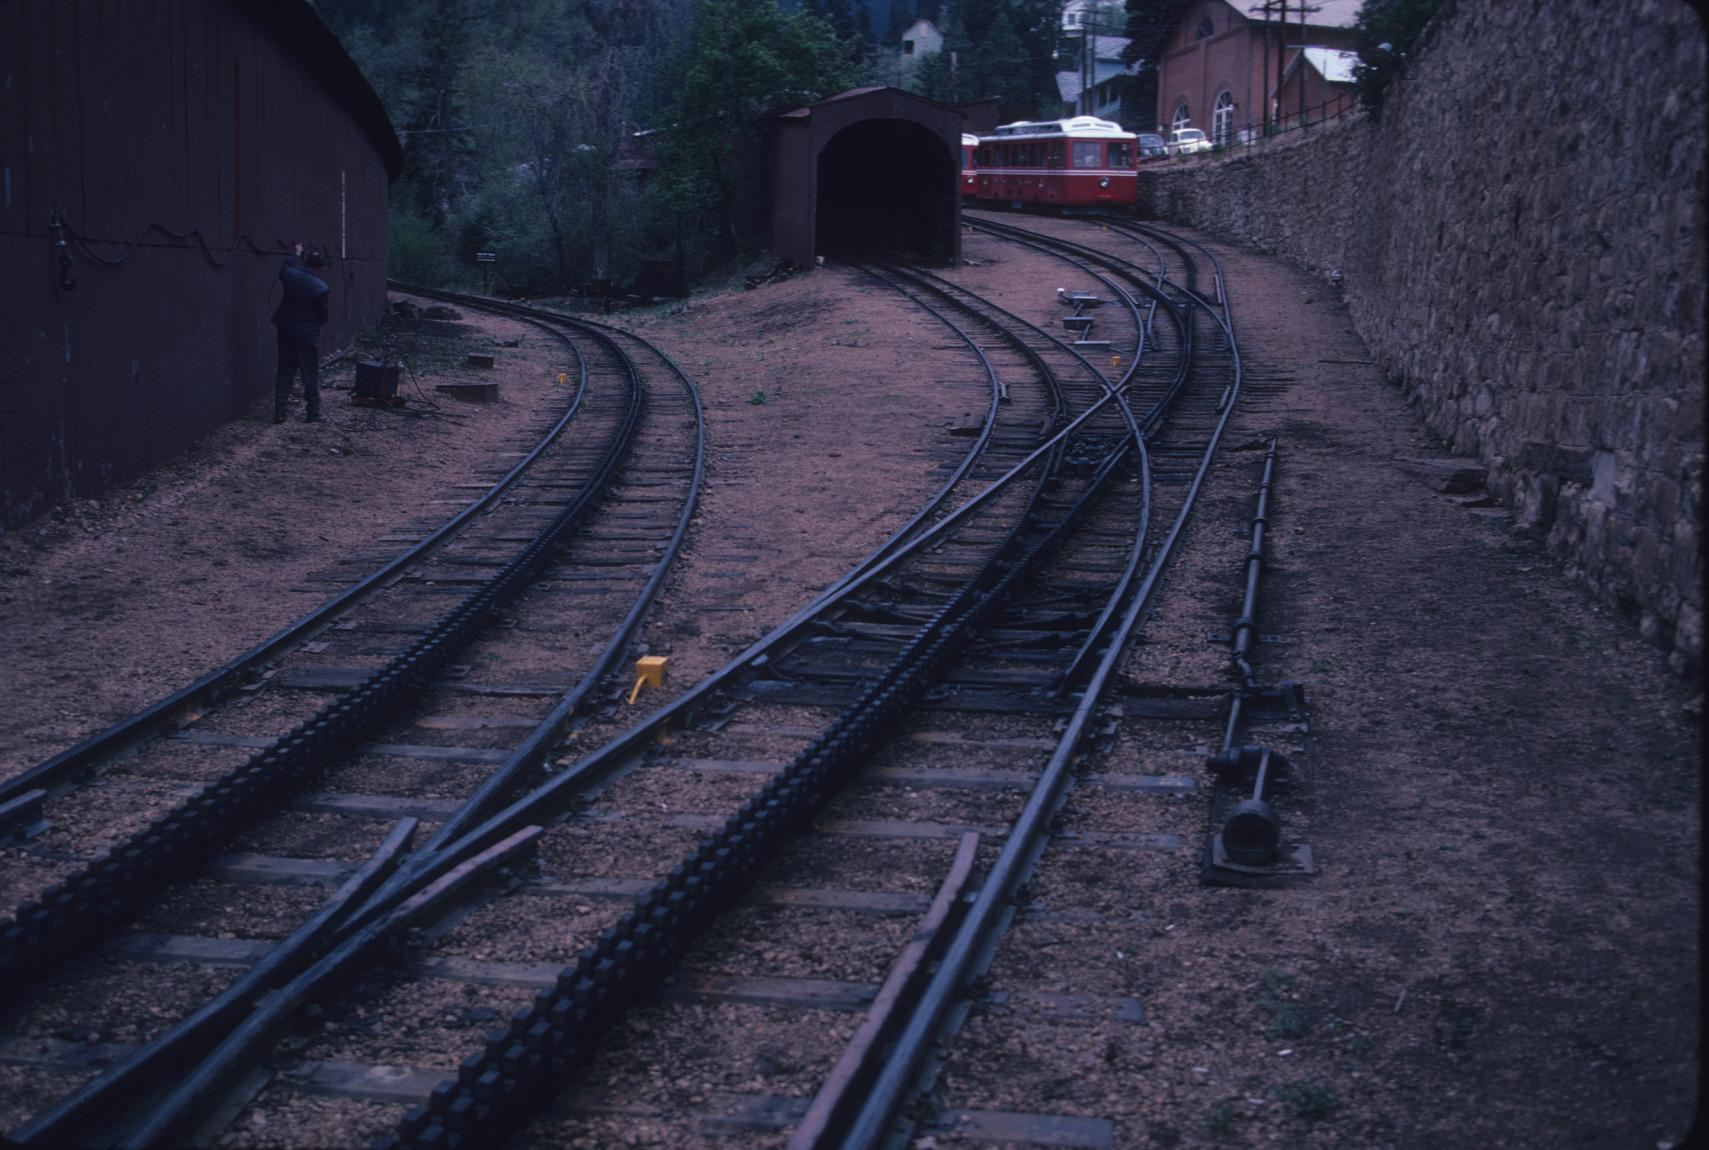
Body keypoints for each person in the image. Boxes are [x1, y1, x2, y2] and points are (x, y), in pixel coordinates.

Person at [272, 242, 330, 423]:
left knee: (285, 371)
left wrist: (296, 254)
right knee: (309, 372)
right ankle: (313, 413)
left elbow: (285, 266)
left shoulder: (291, 276)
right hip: (307, 334)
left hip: (286, 330)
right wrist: (311, 326)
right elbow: (323, 317)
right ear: (321, 268)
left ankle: (279, 413)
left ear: (306, 262)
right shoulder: (321, 288)